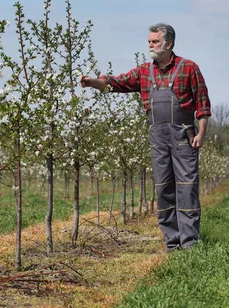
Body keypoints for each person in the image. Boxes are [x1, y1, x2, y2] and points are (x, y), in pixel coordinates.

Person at [80, 23, 211, 251]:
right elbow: (115, 83)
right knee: (163, 188)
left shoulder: (189, 68)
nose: (150, 45)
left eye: (155, 42)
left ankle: (190, 243)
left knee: (187, 187)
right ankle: (172, 242)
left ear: (168, 44)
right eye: (149, 42)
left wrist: (201, 133)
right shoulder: (143, 72)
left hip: (183, 137)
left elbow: (202, 104)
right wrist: (93, 83)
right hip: (158, 139)